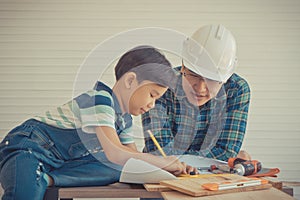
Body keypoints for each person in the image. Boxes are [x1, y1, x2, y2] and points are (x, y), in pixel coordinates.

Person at [0, 46, 197, 200]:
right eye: (152, 95)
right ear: (130, 81)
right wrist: (165, 161)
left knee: (118, 168)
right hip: (28, 150)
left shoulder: (125, 119)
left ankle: (48, 179)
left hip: (58, 165)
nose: (152, 105)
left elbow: (132, 160)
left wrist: (169, 168)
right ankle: (40, 179)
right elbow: (117, 152)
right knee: (27, 194)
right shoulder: (100, 99)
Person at [142, 25, 251, 162]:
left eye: (211, 80)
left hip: (213, 176)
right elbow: (159, 152)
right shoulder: (161, 85)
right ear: (183, 66)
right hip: (163, 171)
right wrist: (211, 159)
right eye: (193, 75)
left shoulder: (236, 90)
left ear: (225, 80)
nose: (200, 88)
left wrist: (182, 159)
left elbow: (226, 152)